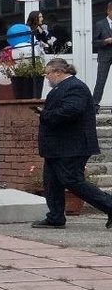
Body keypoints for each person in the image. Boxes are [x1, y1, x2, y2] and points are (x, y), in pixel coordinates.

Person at [31, 58, 112, 228]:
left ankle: (109, 205)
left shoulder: (75, 87)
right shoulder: (62, 88)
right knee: (51, 182)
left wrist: (45, 114)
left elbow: (72, 110)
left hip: (72, 146)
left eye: (48, 74)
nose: (46, 78)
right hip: (57, 147)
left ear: (58, 72)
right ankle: (55, 217)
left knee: (72, 180)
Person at [92, 1, 112, 107]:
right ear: (108, 11)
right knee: (100, 81)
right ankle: (95, 105)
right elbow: (94, 42)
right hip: (105, 56)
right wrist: (105, 41)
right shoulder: (100, 24)